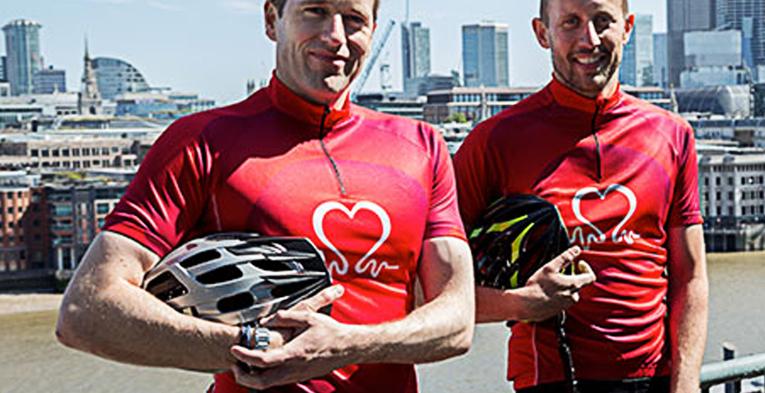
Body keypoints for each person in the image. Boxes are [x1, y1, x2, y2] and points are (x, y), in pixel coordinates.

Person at [55, 0, 475, 392]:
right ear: (272, 20)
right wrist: (254, 347)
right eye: (315, 11)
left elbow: (457, 322)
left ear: (373, 29)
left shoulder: (423, 147)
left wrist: (347, 345)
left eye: (354, 19)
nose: (336, 35)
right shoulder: (200, 142)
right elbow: (86, 311)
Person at [453, 0, 708, 392]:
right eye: (571, 22)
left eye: (603, 21)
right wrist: (521, 303)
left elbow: (690, 278)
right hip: (550, 379)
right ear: (543, 33)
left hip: (655, 377)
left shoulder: (672, 135)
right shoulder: (494, 142)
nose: (589, 39)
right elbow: (430, 287)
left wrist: (686, 382)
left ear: (628, 27)